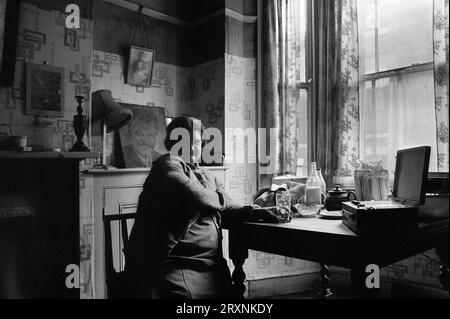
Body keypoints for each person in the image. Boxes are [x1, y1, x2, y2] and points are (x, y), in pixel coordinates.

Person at [124, 116, 284, 299]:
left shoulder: (207, 175)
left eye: (198, 142)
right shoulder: (165, 166)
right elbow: (195, 195)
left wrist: (254, 211)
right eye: (186, 141)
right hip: (176, 264)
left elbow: (227, 207)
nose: (193, 147)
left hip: (212, 264)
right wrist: (221, 198)